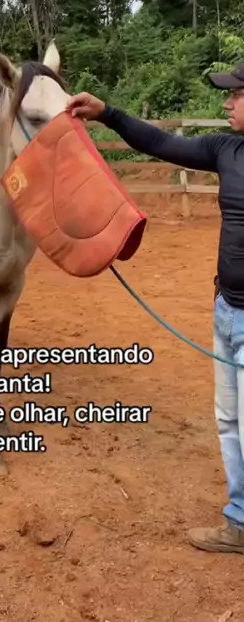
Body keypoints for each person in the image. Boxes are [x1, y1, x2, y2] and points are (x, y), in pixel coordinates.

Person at [66, 63, 244, 554]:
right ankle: (240, 523)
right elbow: (160, 143)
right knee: (230, 423)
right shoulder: (226, 150)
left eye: (236, 95)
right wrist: (108, 113)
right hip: (226, 310)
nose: (226, 103)